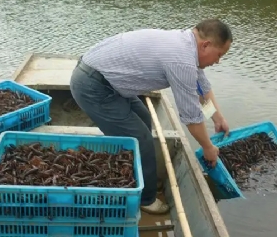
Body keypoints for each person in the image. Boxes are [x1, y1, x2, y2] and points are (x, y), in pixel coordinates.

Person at [70, 18, 232, 215]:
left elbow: (201, 88)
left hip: (110, 82)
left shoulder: (186, 44)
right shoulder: (181, 59)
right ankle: (146, 200)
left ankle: (136, 174)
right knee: (142, 140)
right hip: (93, 86)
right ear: (206, 45)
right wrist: (208, 148)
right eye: (219, 55)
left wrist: (217, 118)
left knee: (144, 120)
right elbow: (191, 118)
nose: (217, 62)